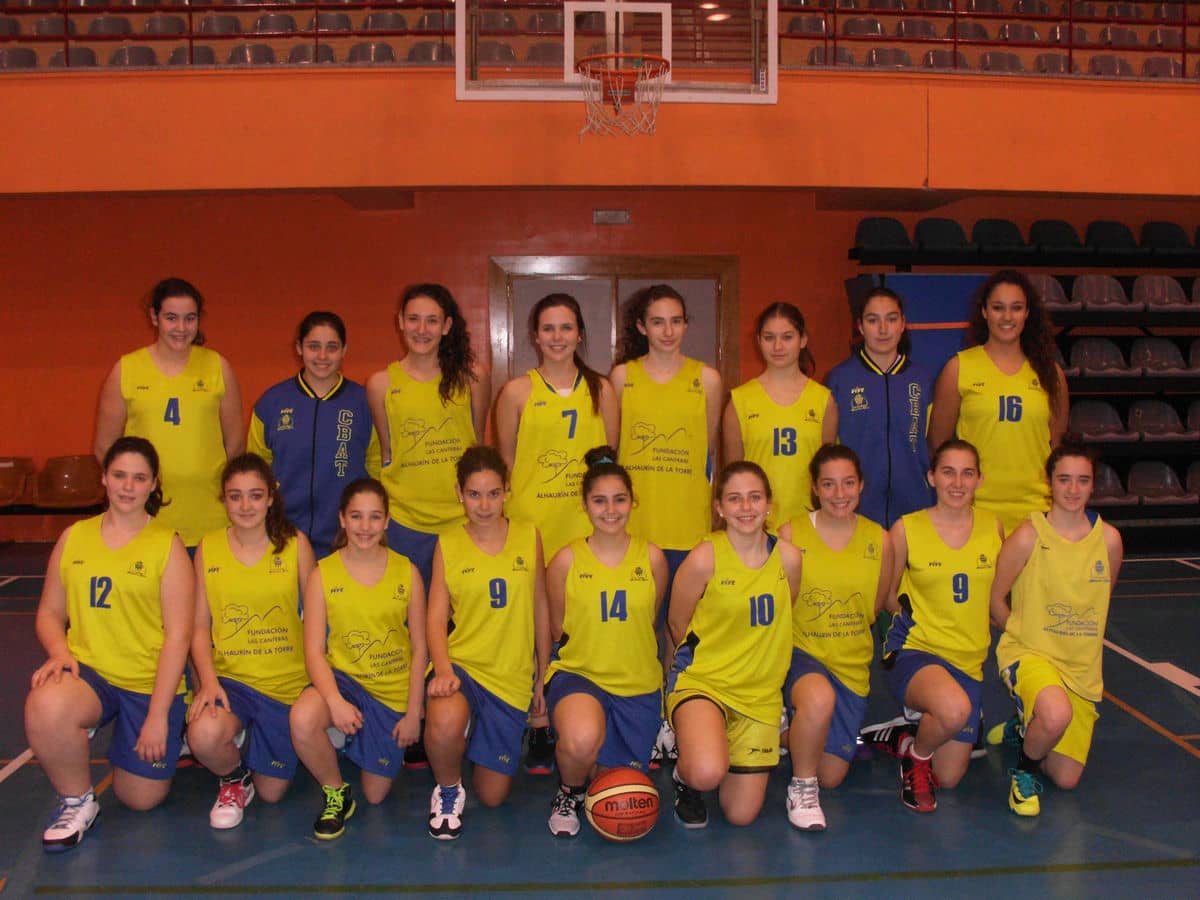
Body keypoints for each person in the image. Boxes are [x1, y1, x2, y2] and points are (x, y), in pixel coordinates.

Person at [25, 437, 194, 852]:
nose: (127, 486)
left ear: (154, 485)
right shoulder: (74, 538)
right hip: (92, 674)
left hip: (147, 681)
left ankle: (177, 728)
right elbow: (49, 613)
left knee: (140, 800)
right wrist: (60, 653)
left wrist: (157, 714)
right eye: (119, 475)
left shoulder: (167, 545)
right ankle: (77, 800)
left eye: (139, 478)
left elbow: (179, 636)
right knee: (45, 703)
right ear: (103, 477)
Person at [493, 293, 619, 774]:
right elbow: (505, 463)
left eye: (567, 328)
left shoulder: (602, 390)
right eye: (548, 328)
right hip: (533, 527)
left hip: (586, 529)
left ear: (580, 333)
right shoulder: (516, 393)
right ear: (534, 335)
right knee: (531, 631)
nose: (558, 337)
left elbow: (611, 461)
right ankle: (538, 722)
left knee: (575, 629)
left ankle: (581, 719)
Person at [609, 284, 722, 767]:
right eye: (658, 322)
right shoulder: (620, 378)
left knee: (681, 633)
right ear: (641, 326)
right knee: (639, 632)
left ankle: (679, 720)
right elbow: (612, 455)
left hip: (689, 527)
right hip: (635, 532)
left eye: (676, 321)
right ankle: (644, 719)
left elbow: (709, 453)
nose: (668, 331)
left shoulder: (708, 380)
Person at [859, 440, 1003, 813]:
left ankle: (904, 737)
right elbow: (888, 596)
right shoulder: (906, 529)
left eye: (967, 473)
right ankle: (915, 759)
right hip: (917, 652)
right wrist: (920, 621)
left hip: (968, 662)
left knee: (951, 777)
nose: (957, 482)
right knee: (953, 711)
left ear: (979, 480)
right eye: (948, 472)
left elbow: (997, 595)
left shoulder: (995, 528)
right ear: (931, 477)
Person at [987, 442, 1123, 817]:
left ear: (1093, 485)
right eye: (1064, 479)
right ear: (1049, 482)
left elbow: (1101, 598)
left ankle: (1025, 727)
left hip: (1080, 669)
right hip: (1030, 655)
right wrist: (1020, 636)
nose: (1073, 489)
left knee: (1066, 778)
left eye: (1083, 480)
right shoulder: (1029, 535)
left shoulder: (1109, 541)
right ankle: (1024, 773)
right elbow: (996, 598)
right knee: (1055, 714)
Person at [287, 479, 427, 840]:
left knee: (377, 796)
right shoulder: (323, 575)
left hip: (389, 691)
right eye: (356, 516)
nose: (365, 526)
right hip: (345, 681)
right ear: (342, 520)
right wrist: (333, 701)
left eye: (374, 517)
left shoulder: (407, 572)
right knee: (302, 718)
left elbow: (420, 648)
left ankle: (357, 739)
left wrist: (414, 713)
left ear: (386, 522)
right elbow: (314, 651)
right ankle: (335, 791)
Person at [666, 462, 801, 829]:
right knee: (706, 771)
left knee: (741, 815)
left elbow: (785, 613)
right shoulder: (704, 558)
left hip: (759, 697)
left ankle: (717, 744)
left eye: (755, 497)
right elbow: (678, 622)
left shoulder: (789, 558)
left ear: (769, 504)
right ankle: (687, 776)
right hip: (705, 682)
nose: (746, 507)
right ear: (720, 507)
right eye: (735, 498)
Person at [424, 447, 550, 840]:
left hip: (510, 675)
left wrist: (542, 678)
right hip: (463, 663)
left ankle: (479, 735)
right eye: (474, 494)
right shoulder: (447, 543)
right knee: (444, 722)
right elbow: (434, 616)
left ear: (507, 491)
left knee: (493, 796)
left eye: (493, 493)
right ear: (459, 493)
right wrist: (442, 668)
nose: (484, 504)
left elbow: (541, 608)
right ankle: (447, 789)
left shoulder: (529, 536)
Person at [186, 453, 316, 830]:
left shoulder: (295, 545)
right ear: (223, 500)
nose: (246, 506)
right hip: (232, 682)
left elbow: (318, 621)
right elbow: (198, 626)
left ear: (271, 497)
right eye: (235, 496)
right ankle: (233, 779)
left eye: (255, 495)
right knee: (204, 735)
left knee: (273, 793)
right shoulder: (209, 549)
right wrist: (207, 683)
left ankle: (268, 735)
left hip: (286, 685)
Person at [542, 447, 668, 837]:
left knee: (617, 787)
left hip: (638, 684)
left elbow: (651, 622)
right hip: (581, 675)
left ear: (633, 502)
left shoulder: (653, 558)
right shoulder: (565, 560)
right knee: (581, 742)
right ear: (584, 505)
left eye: (619, 499)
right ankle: (568, 792)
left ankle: (591, 778)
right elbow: (556, 628)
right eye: (599, 500)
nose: (610, 510)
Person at [778, 445, 891, 831]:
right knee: (817, 699)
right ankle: (801, 787)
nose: (839, 494)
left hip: (850, 664)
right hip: (802, 653)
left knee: (833, 775)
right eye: (828, 484)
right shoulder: (791, 534)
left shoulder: (881, 540)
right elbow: (781, 606)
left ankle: (778, 732)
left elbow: (875, 607)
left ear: (861, 485)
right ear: (815, 489)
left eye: (847, 483)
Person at [94, 277, 244, 549]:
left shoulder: (217, 367)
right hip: (146, 518)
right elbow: (105, 448)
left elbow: (234, 446)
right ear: (154, 317)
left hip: (209, 517)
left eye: (190, 318)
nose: (181, 328)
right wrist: (134, 492)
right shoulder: (126, 370)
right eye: (171, 318)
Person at [366, 284, 489, 592]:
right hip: (406, 523)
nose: (422, 329)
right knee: (411, 620)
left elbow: (477, 444)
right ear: (400, 322)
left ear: (447, 326)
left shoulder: (471, 376)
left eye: (432, 320)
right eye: (413, 319)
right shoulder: (381, 384)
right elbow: (387, 451)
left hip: (462, 518)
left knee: (461, 619)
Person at [929, 270, 1068, 535]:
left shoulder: (1051, 374)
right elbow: (939, 445)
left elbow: (1056, 448)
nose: (1007, 317)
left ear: (1028, 313)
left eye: (1016, 308)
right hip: (975, 510)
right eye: (998, 308)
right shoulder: (959, 368)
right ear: (984, 312)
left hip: (1036, 511)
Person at [248, 311, 380, 559]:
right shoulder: (272, 402)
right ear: (299, 347)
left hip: (347, 539)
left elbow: (376, 468)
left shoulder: (364, 402)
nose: (322, 356)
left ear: (344, 350)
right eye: (313, 346)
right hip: (283, 538)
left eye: (332, 347)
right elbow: (257, 471)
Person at [826, 286, 935, 528]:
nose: (883, 329)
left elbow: (934, 444)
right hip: (857, 510)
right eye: (873, 320)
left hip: (915, 508)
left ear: (903, 323)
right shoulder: (839, 379)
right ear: (860, 326)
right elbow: (828, 450)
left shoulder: (922, 379)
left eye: (891, 319)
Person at [724, 303, 837, 531]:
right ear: (758, 341)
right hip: (755, 526)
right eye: (769, 337)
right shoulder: (740, 401)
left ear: (803, 339)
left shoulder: (824, 400)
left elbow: (827, 474)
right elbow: (732, 478)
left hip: (809, 526)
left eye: (787, 337)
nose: (777, 346)